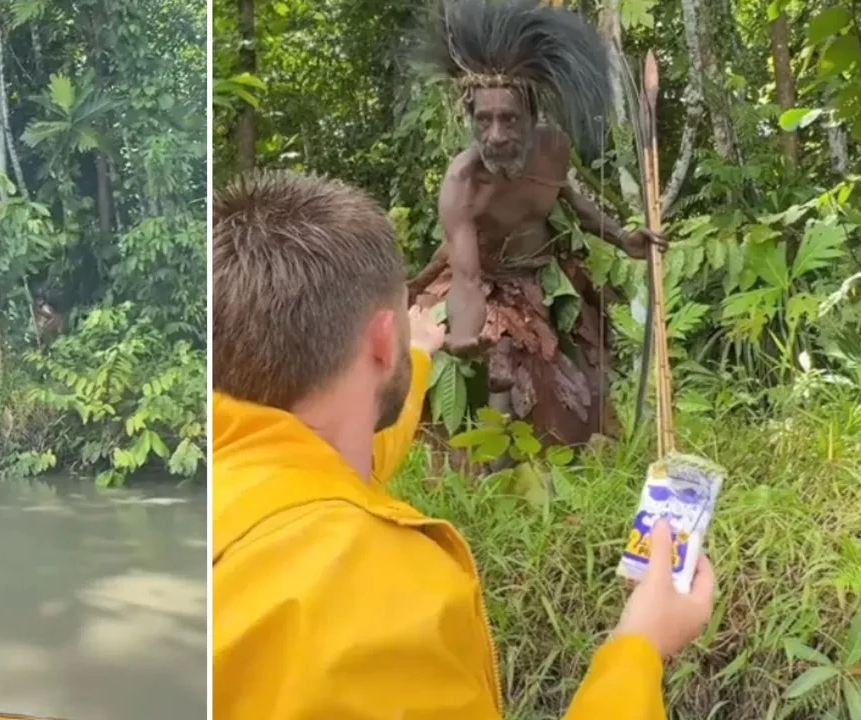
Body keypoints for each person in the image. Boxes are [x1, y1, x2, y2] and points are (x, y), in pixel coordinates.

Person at [211, 169, 715, 719]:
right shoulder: (385, 604)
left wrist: (420, 353)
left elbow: (367, 441)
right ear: (383, 340)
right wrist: (640, 646)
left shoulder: (234, 477)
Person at [407, 0, 665, 448]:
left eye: (509, 119)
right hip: (485, 286)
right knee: (498, 392)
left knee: (584, 390)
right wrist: (468, 336)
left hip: (544, 275)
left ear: (531, 117)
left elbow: (567, 197)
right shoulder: (462, 183)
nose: (496, 135)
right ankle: (490, 471)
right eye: (484, 120)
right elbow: (467, 276)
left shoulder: (552, 150)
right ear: (470, 119)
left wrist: (624, 239)